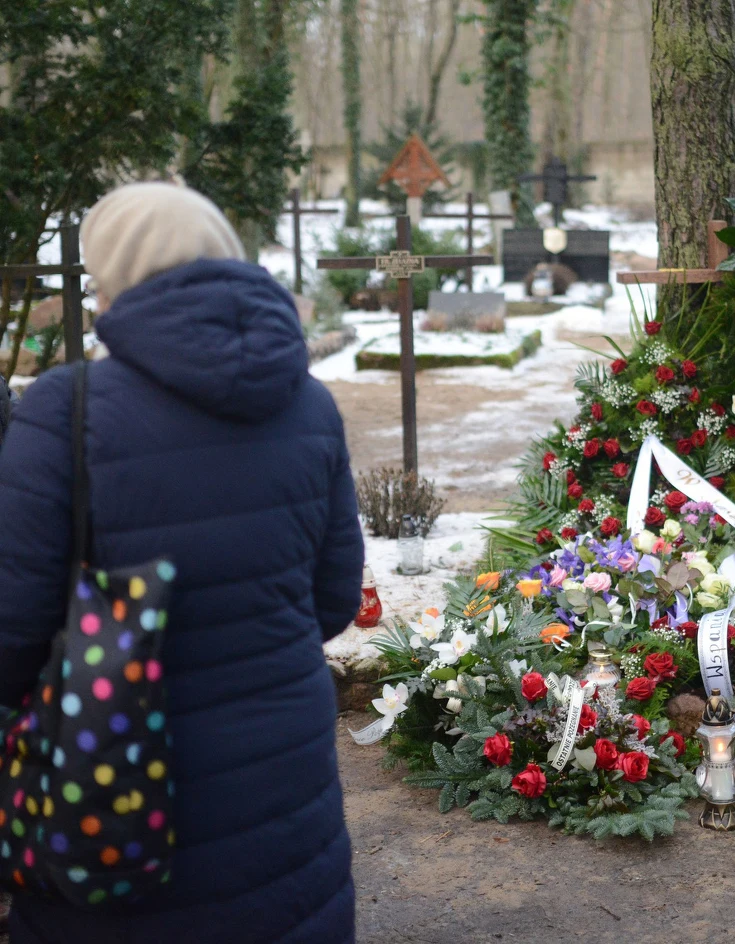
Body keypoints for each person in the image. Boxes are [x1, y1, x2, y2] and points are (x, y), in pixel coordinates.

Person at [0, 183, 364, 943]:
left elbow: (11, 637)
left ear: (114, 275)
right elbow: (332, 601)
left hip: (116, 793)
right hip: (286, 782)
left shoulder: (67, 411)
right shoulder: (309, 403)